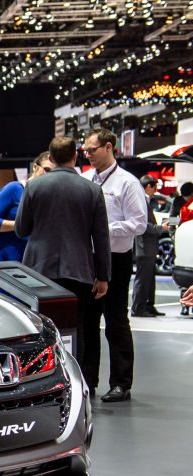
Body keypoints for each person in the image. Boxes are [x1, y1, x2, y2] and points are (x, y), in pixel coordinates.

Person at [15, 136, 111, 394]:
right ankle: (85, 383)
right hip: (79, 270)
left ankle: (39, 384)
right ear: (75, 157)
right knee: (83, 329)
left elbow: (21, 228)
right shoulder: (91, 189)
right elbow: (101, 237)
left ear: (51, 158)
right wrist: (103, 276)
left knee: (38, 329)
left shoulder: (34, 187)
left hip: (38, 271)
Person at [81, 128, 146, 402]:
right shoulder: (84, 180)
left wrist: (104, 229)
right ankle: (87, 380)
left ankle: (121, 383)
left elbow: (139, 223)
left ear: (108, 147)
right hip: (86, 260)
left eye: (91, 150)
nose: (87, 154)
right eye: (84, 151)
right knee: (87, 322)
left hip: (116, 260)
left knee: (115, 321)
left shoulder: (127, 183)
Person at [0, 153, 52, 289]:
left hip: (27, 262)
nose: (49, 175)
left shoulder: (46, 197)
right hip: (1, 257)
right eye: (46, 169)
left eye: (53, 172)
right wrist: (20, 225)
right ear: (35, 167)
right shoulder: (14, 188)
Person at [131, 175, 165, 317]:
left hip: (148, 247)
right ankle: (138, 308)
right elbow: (142, 226)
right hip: (144, 247)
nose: (156, 190)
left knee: (150, 280)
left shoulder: (146, 201)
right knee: (143, 280)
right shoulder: (141, 202)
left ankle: (149, 306)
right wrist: (160, 228)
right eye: (154, 186)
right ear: (148, 187)